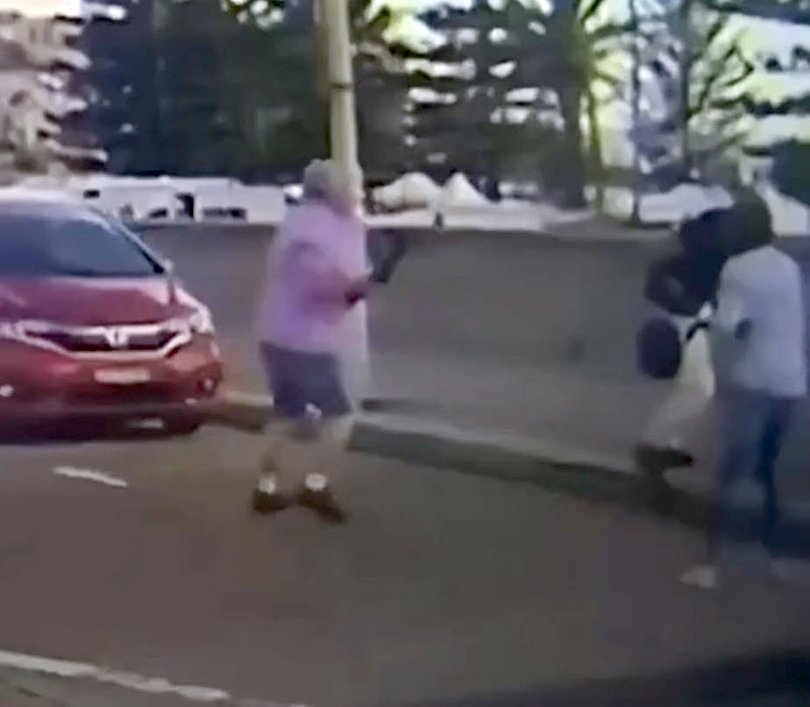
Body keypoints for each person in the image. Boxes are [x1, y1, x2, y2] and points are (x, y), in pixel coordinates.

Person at [680, 199, 807, 590]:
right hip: (792, 383)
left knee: (731, 477)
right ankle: (779, 560)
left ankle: (712, 566)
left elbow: (732, 325)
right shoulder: (787, 266)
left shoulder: (738, 270)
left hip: (753, 384)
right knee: (771, 474)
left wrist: (706, 322)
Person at [251, 159, 370, 523]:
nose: (357, 192)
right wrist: (362, 285)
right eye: (352, 185)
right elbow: (323, 286)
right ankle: (314, 484)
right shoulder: (322, 231)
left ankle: (266, 486)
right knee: (340, 416)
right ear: (333, 189)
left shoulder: (297, 221)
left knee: (289, 415)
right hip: (310, 341)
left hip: (278, 335)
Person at [635, 208, 729, 487]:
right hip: (693, 326)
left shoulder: (676, 264)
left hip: (690, 324)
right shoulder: (711, 261)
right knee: (699, 388)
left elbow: (654, 286)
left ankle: (664, 445)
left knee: (694, 388)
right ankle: (654, 445)